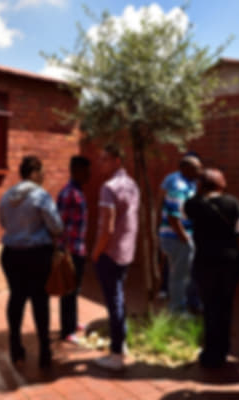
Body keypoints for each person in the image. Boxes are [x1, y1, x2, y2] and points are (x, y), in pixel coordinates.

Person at [0, 156, 63, 369]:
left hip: (11, 254)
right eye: (42, 172)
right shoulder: (40, 196)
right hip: (36, 255)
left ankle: (15, 346)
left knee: (16, 297)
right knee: (39, 301)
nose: (44, 176)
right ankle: (45, 350)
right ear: (34, 173)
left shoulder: (7, 195)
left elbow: (3, 222)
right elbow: (56, 226)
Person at [185, 168, 239, 368]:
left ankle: (210, 352)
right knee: (225, 306)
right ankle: (223, 349)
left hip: (205, 262)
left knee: (209, 306)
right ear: (221, 184)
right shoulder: (233, 202)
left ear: (201, 185)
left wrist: (199, 193)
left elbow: (183, 214)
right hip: (229, 261)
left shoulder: (193, 204)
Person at [92, 144, 140, 371]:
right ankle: (122, 344)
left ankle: (116, 355)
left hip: (111, 253)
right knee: (118, 297)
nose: (100, 163)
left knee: (114, 302)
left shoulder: (109, 187)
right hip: (127, 251)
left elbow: (106, 228)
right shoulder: (132, 185)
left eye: (105, 159)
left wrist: (96, 252)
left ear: (117, 161)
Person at [158, 155, 202, 312]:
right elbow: (173, 217)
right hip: (176, 237)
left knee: (185, 274)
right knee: (179, 277)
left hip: (182, 236)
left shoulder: (190, 183)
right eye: (197, 168)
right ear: (185, 169)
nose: (200, 171)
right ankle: (177, 310)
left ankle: (187, 304)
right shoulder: (178, 186)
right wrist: (185, 239)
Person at [56, 156, 91, 343]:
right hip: (70, 251)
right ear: (77, 170)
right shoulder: (69, 193)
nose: (89, 175)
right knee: (68, 290)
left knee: (75, 289)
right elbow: (59, 224)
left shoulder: (78, 191)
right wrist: (63, 251)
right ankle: (66, 330)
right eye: (86, 171)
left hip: (79, 249)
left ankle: (74, 322)